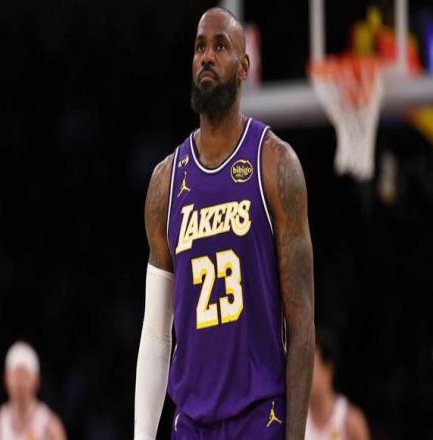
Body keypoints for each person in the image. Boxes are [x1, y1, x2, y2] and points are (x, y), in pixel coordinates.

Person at [134, 6, 314, 440]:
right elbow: (156, 333)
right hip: (192, 422)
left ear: (244, 66)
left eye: (220, 46)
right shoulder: (165, 182)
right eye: (200, 47)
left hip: (259, 416)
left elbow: (302, 323)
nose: (207, 57)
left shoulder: (275, 164)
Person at [0, 341, 67, 440]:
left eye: (25, 375)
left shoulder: (50, 426)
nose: (20, 383)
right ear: (6, 378)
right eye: (16, 375)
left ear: (36, 380)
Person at [306, 329, 370, 440]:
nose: (304, 376)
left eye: (310, 368)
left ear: (328, 370)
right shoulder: (297, 418)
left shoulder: (350, 421)